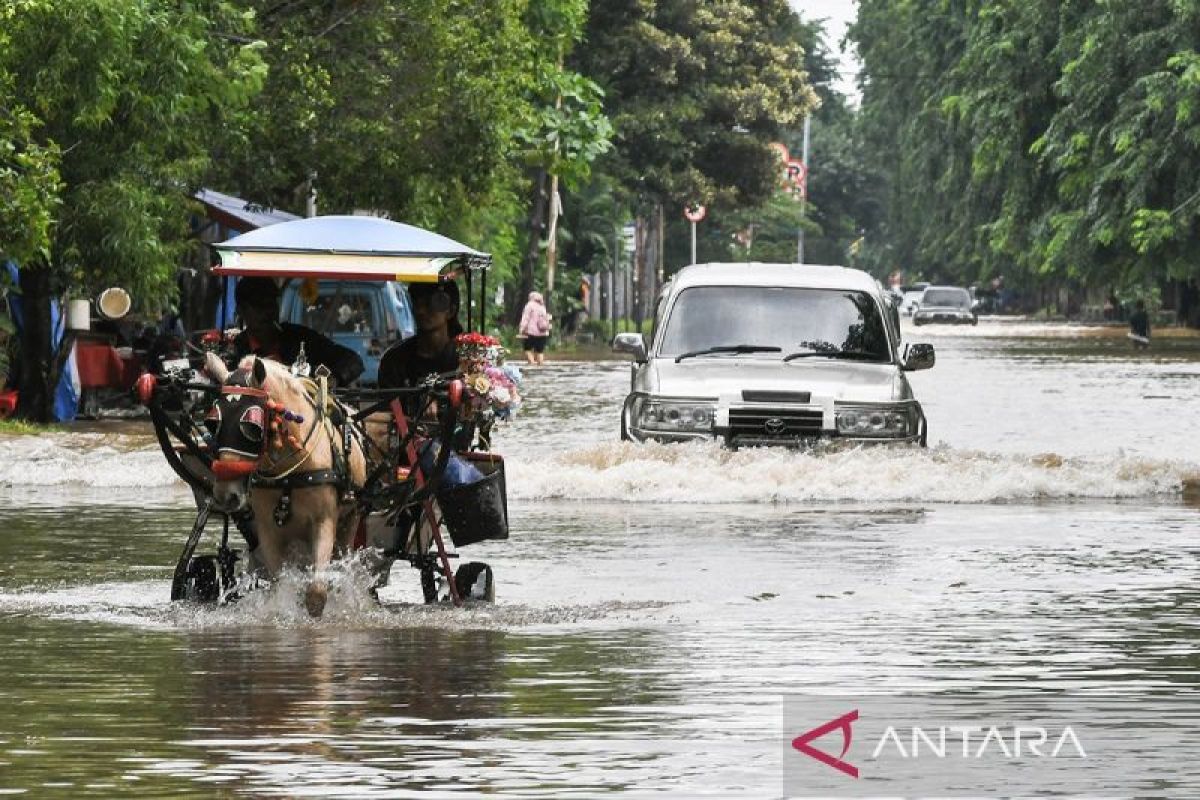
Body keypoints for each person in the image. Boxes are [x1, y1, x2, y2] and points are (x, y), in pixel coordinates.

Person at [230, 276, 364, 385]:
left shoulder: (300, 339)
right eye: (259, 306)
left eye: (271, 304)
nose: (267, 312)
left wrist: (332, 380)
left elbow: (353, 361)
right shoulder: (233, 353)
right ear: (241, 311)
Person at [378, 280, 463, 392]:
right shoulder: (394, 360)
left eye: (431, 303)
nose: (421, 311)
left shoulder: (465, 359)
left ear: (450, 311)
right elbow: (386, 407)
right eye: (417, 303)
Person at [518, 290, 551, 365]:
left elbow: (525, 318)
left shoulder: (529, 305)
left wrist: (522, 328)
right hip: (543, 332)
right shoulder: (542, 306)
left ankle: (532, 364)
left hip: (531, 333)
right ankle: (540, 366)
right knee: (540, 351)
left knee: (527, 349)